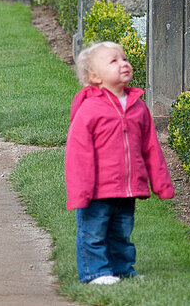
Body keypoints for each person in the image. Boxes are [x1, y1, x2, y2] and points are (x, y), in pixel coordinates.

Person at [65, 41, 174, 285]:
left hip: (127, 187)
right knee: (93, 233)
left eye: (124, 58)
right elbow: (77, 153)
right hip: (96, 189)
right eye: (113, 61)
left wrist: (161, 184)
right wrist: (80, 191)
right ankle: (96, 272)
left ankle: (122, 269)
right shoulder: (90, 109)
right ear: (94, 76)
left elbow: (151, 148)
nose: (123, 63)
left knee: (121, 233)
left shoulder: (139, 108)